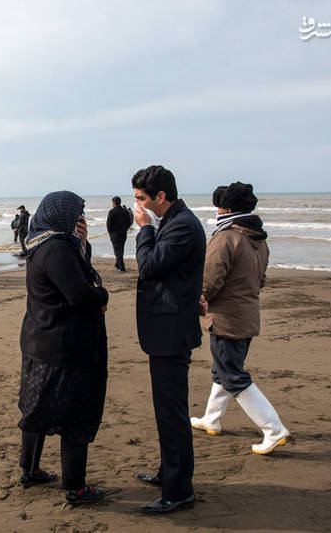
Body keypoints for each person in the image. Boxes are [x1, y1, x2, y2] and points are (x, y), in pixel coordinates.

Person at [18, 191, 109, 505]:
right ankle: (76, 487)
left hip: (40, 340)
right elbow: (80, 294)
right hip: (62, 347)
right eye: (76, 215)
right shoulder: (57, 248)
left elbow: (75, 276)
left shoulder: (42, 242)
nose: (80, 221)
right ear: (62, 216)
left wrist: (81, 244)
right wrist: (103, 297)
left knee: (36, 410)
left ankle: (30, 470)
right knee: (75, 417)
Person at [191, 182, 290, 454]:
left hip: (227, 317)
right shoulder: (258, 238)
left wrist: (198, 299)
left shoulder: (226, 237)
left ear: (227, 208)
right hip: (247, 314)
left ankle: (273, 429)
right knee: (222, 369)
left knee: (232, 374)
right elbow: (261, 279)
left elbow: (210, 279)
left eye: (219, 207)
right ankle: (212, 418)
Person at [131, 165, 205, 514]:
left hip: (171, 334)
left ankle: (178, 492)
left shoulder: (181, 226)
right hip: (169, 328)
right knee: (167, 411)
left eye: (142, 199)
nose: (139, 206)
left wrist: (143, 229)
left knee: (172, 414)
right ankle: (169, 474)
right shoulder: (175, 222)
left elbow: (148, 267)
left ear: (161, 196)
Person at [106, 196, 132, 272]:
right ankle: (117, 264)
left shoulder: (111, 212)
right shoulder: (125, 211)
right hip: (123, 234)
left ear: (114, 203)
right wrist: (125, 230)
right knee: (121, 250)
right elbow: (128, 223)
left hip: (115, 235)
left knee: (117, 252)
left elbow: (108, 224)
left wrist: (110, 233)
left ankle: (122, 267)